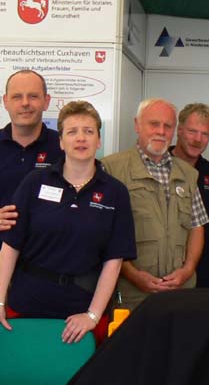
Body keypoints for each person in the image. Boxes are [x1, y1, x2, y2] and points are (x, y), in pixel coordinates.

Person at [0, 100, 136, 344]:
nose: (81, 138)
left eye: (89, 131)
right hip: (26, 307)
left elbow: (114, 261)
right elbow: (10, 247)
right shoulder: (35, 182)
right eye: (72, 132)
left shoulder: (115, 192)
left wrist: (92, 315)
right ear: (61, 142)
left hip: (81, 314)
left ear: (99, 140)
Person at [102, 98, 209, 310]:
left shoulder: (188, 174)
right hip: (131, 294)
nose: (161, 131)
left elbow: (197, 227)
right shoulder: (111, 169)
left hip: (180, 291)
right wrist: (132, 275)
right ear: (137, 125)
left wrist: (188, 270)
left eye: (167, 126)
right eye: (154, 124)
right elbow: (104, 234)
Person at [0, 70, 62, 235]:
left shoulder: (64, 148)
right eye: (17, 97)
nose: (25, 103)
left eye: (33, 96)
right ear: (5, 102)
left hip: (48, 249)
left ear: (46, 101)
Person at [171, 103, 209, 288]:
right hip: (166, 270)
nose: (198, 139)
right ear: (179, 130)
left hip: (204, 273)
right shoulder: (158, 165)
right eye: (192, 131)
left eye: (205, 134)